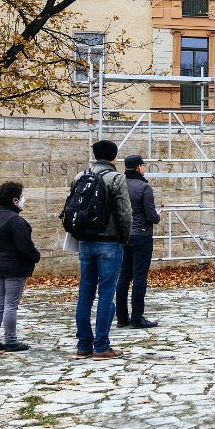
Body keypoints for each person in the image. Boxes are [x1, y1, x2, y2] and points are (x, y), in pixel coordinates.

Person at [73, 140, 133, 358]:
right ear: (114, 157)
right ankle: (101, 345)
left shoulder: (80, 176)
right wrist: (124, 238)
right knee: (106, 294)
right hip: (109, 241)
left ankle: (83, 345)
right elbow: (125, 213)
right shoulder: (115, 178)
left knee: (85, 293)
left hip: (85, 242)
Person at [0, 181, 41, 352]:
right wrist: (36, 256)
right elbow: (24, 246)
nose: (24, 199)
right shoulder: (15, 220)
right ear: (15, 200)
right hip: (15, 267)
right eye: (22, 196)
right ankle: (10, 341)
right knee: (10, 305)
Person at [117, 154, 161, 329]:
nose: (144, 168)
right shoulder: (144, 187)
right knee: (139, 276)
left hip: (124, 235)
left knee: (124, 276)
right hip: (141, 235)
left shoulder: (120, 185)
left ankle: (121, 317)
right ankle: (137, 317)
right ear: (138, 168)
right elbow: (151, 216)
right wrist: (157, 216)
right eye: (143, 165)